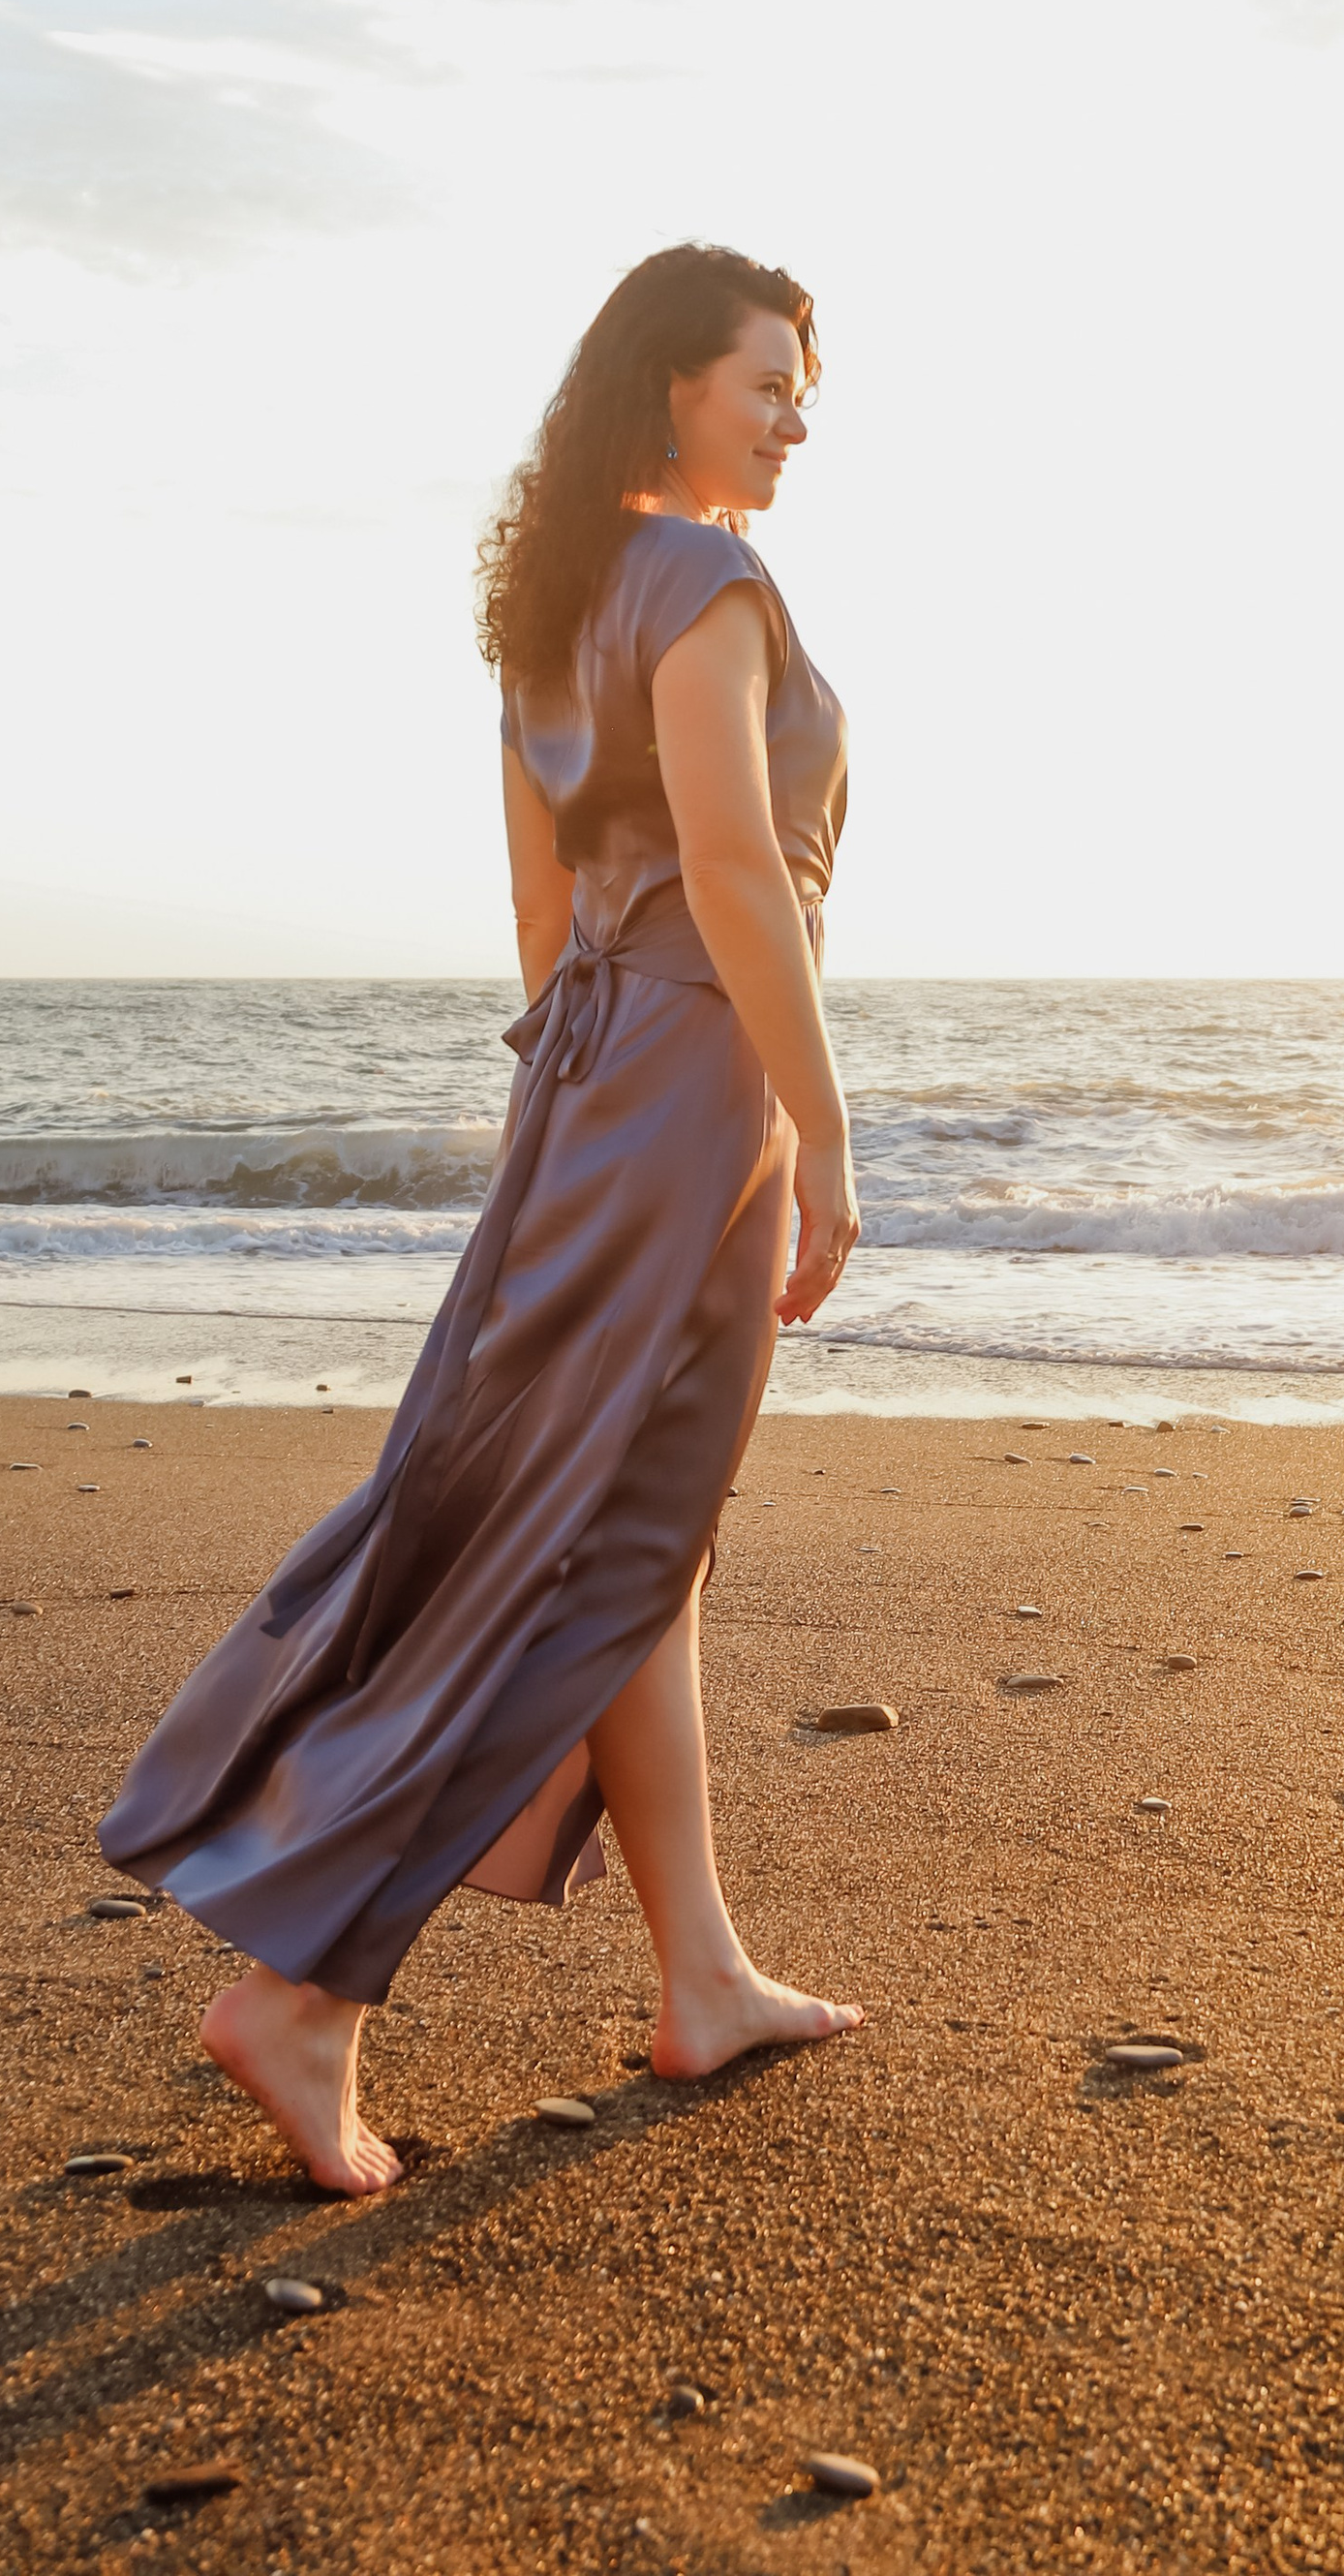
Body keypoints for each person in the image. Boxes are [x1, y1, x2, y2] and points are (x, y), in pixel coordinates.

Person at [98, 242, 862, 2193]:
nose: (795, 412)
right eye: (764, 377)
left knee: (612, 1528)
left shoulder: (550, 612)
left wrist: (581, 1115)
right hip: (690, 1088)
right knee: (595, 1541)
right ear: (668, 385)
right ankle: (312, 1991)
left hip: (587, 1085)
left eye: (803, 381)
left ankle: (700, 1972)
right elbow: (734, 871)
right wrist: (817, 1133)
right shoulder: (705, 584)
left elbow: (541, 925)